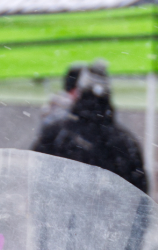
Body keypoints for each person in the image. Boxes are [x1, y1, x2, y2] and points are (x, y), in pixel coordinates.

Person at [31, 61, 148, 194]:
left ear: (78, 93)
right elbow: (141, 199)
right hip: (107, 213)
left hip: (59, 212)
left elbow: (35, 181)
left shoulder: (56, 133)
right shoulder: (125, 143)